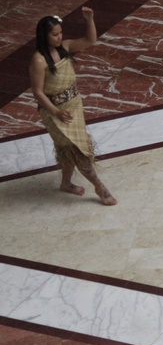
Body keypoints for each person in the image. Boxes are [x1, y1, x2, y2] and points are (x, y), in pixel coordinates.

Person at [30, 11, 116, 206]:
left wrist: (90, 20)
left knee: (67, 148)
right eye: (54, 34)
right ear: (44, 36)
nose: (59, 37)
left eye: (60, 33)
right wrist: (56, 112)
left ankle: (66, 183)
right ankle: (99, 187)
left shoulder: (65, 47)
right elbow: (38, 92)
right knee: (78, 150)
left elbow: (89, 40)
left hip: (74, 106)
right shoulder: (39, 60)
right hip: (55, 112)